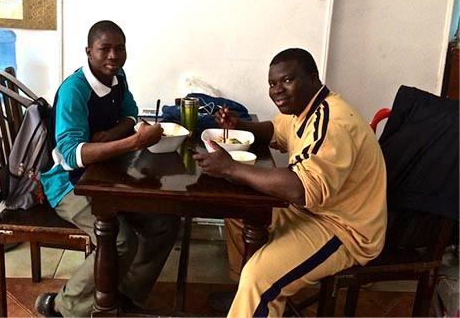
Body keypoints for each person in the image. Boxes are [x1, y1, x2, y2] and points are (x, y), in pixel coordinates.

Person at [193, 48, 387, 317]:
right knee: (238, 212)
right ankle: (247, 301)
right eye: (273, 84)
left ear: (313, 78)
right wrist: (241, 126)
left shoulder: (332, 123)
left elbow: (301, 188)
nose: (278, 90)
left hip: (345, 228)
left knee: (259, 278)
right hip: (313, 210)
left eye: (287, 80)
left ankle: (255, 295)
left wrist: (232, 168)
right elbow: (275, 131)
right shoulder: (305, 109)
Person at [35, 20, 180, 317]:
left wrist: (111, 136)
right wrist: (132, 140)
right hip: (67, 184)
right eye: (105, 49)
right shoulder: (74, 91)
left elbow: (130, 113)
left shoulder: (118, 77)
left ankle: (125, 292)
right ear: (89, 52)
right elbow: (75, 155)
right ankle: (64, 306)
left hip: (106, 177)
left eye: (120, 48)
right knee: (118, 240)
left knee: (165, 222)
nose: (113, 56)